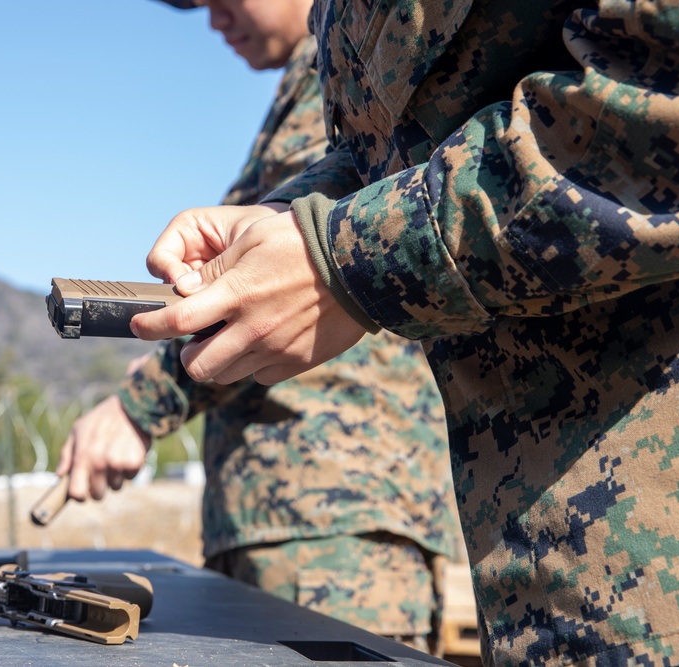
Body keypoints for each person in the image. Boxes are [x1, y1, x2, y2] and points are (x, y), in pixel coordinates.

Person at [131, 1, 679, 665]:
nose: (214, 20)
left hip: (660, 542)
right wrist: (291, 214)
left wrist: (342, 255)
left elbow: (672, 90)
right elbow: (408, 147)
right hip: (550, 565)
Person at [56, 0, 461, 653]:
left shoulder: (351, 65)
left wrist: (136, 408)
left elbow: (280, 271)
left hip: (325, 508)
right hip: (297, 512)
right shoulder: (327, 70)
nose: (215, 20)